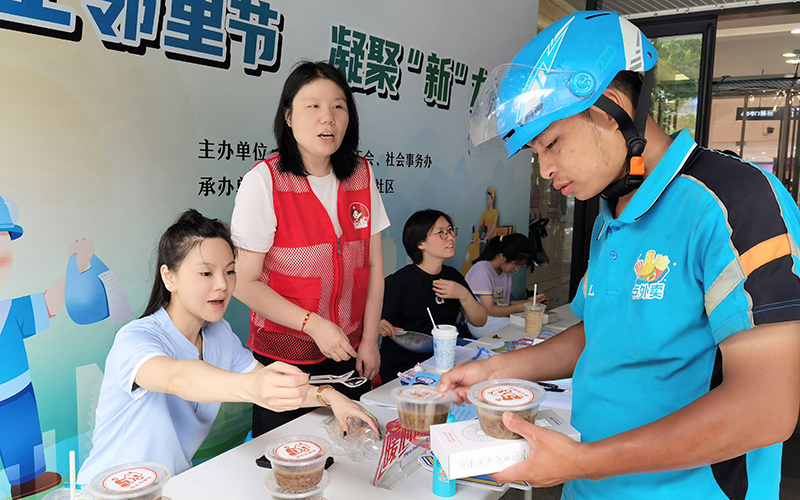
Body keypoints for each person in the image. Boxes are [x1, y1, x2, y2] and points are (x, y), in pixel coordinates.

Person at [443, 10, 800, 499]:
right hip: (591, 486)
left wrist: (585, 461)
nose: (545, 169)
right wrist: (494, 369)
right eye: (534, 154)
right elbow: (601, 334)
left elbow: (766, 407)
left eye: (551, 143)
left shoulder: (733, 203)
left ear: (610, 108)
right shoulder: (611, 213)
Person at [78, 210, 378, 483]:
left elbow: (271, 387)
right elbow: (177, 378)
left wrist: (330, 397)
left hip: (174, 485)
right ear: (169, 277)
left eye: (230, 271)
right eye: (206, 273)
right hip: (112, 490)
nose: (222, 284)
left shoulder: (218, 333)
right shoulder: (137, 337)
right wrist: (253, 386)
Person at [231, 61, 389, 436]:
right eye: (312, 106)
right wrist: (312, 324)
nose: (328, 118)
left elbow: (375, 270)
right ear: (288, 116)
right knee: (292, 469)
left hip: (350, 356)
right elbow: (243, 282)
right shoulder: (264, 182)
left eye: (338, 106)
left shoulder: (362, 176)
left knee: (354, 461)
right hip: (285, 363)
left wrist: (370, 340)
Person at [378, 210, 487, 384]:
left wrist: (463, 295)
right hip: (405, 369)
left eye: (451, 230)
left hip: (444, 363)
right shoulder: (399, 282)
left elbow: (480, 320)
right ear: (420, 243)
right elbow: (375, 321)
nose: (450, 237)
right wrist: (378, 323)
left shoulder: (453, 276)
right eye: (441, 233)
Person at [464, 233, 547, 338]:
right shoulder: (482, 271)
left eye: (520, 266)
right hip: (482, 321)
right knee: (524, 329)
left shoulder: (505, 272)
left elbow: (504, 303)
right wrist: (520, 308)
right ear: (502, 256)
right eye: (516, 264)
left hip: (498, 317)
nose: (516, 269)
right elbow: (490, 309)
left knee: (536, 325)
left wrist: (529, 302)